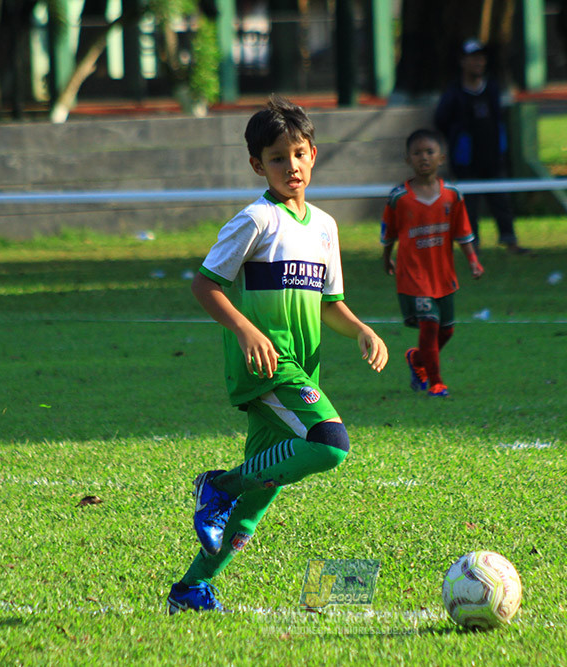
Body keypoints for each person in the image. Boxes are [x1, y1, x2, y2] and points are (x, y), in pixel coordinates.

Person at [166, 96, 389, 614]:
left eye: (298, 153)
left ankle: (191, 589)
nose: (290, 166)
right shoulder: (255, 220)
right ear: (256, 165)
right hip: (267, 368)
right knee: (331, 443)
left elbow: (329, 302)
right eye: (276, 157)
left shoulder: (325, 226)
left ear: (314, 154)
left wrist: (360, 329)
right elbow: (205, 285)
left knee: (257, 498)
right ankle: (216, 485)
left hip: (301, 366)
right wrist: (245, 330)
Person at [381, 129, 483, 398]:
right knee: (429, 324)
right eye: (417, 153)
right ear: (407, 159)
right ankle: (436, 382)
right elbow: (389, 233)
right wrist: (386, 258)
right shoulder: (398, 197)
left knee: (446, 330)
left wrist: (473, 261)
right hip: (413, 275)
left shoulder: (452, 195)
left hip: (443, 274)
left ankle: (417, 360)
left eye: (429, 152)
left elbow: (463, 232)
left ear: (442, 158)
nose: (423, 158)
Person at [435, 39, 529, 255]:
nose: (478, 62)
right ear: (462, 62)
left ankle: (510, 240)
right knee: (469, 205)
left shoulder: (492, 88)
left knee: (501, 200)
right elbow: (441, 119)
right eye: (473, 58)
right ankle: (472, 245)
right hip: (466, 159)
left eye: (481, 58)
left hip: (493, 156)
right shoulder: (454, 91)